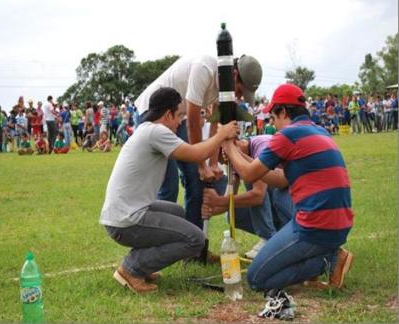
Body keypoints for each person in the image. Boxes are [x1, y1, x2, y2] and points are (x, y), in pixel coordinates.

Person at [222, 83, 354, 319]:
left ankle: (328, 259)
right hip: (339, 223)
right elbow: (280, 179)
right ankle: (329, 255)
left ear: (284, 112)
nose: (272, 124)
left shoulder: (287, 135)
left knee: (257, 278)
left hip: (314, 225)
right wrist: (241, 154)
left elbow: (251, 174)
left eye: (273, 117)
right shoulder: (319, 131)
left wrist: (229, 147)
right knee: (274, 264)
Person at [100, 87, 239, 294]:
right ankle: (132, 268)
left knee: (178, 214)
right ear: (168, 114)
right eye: (180, 116)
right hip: (126, 221)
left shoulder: (147, 129)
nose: (180, 122)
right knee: (196, 239)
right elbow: (193, 153)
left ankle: (143, 265)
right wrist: (221, 134)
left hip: (122, 215)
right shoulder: (157, 132)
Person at [134, 54, 262, 261]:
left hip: (177, 118)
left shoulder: (225, 88)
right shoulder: (204, 69)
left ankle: (193, 249)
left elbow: (213, 123)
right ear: (234, 75)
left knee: (195, 180)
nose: (238, 97)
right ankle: (155, 253)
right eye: (240, 91)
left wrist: (212, 164)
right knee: (168, 185)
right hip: (153, 114)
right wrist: (201, 164)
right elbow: (194, 118)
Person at [202, 135, 294, 259]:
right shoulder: (236, 161)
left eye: (221, 156)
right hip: (280, 207)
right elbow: (228, 199)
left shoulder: (262, 146)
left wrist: (219, 201)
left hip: (291, 201)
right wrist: (211, 208)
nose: (222, 162)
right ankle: (279, 237)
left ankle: (268, 238)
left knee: (252, 175)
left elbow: (258, 195)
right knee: (232, 215)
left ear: (234, 144)